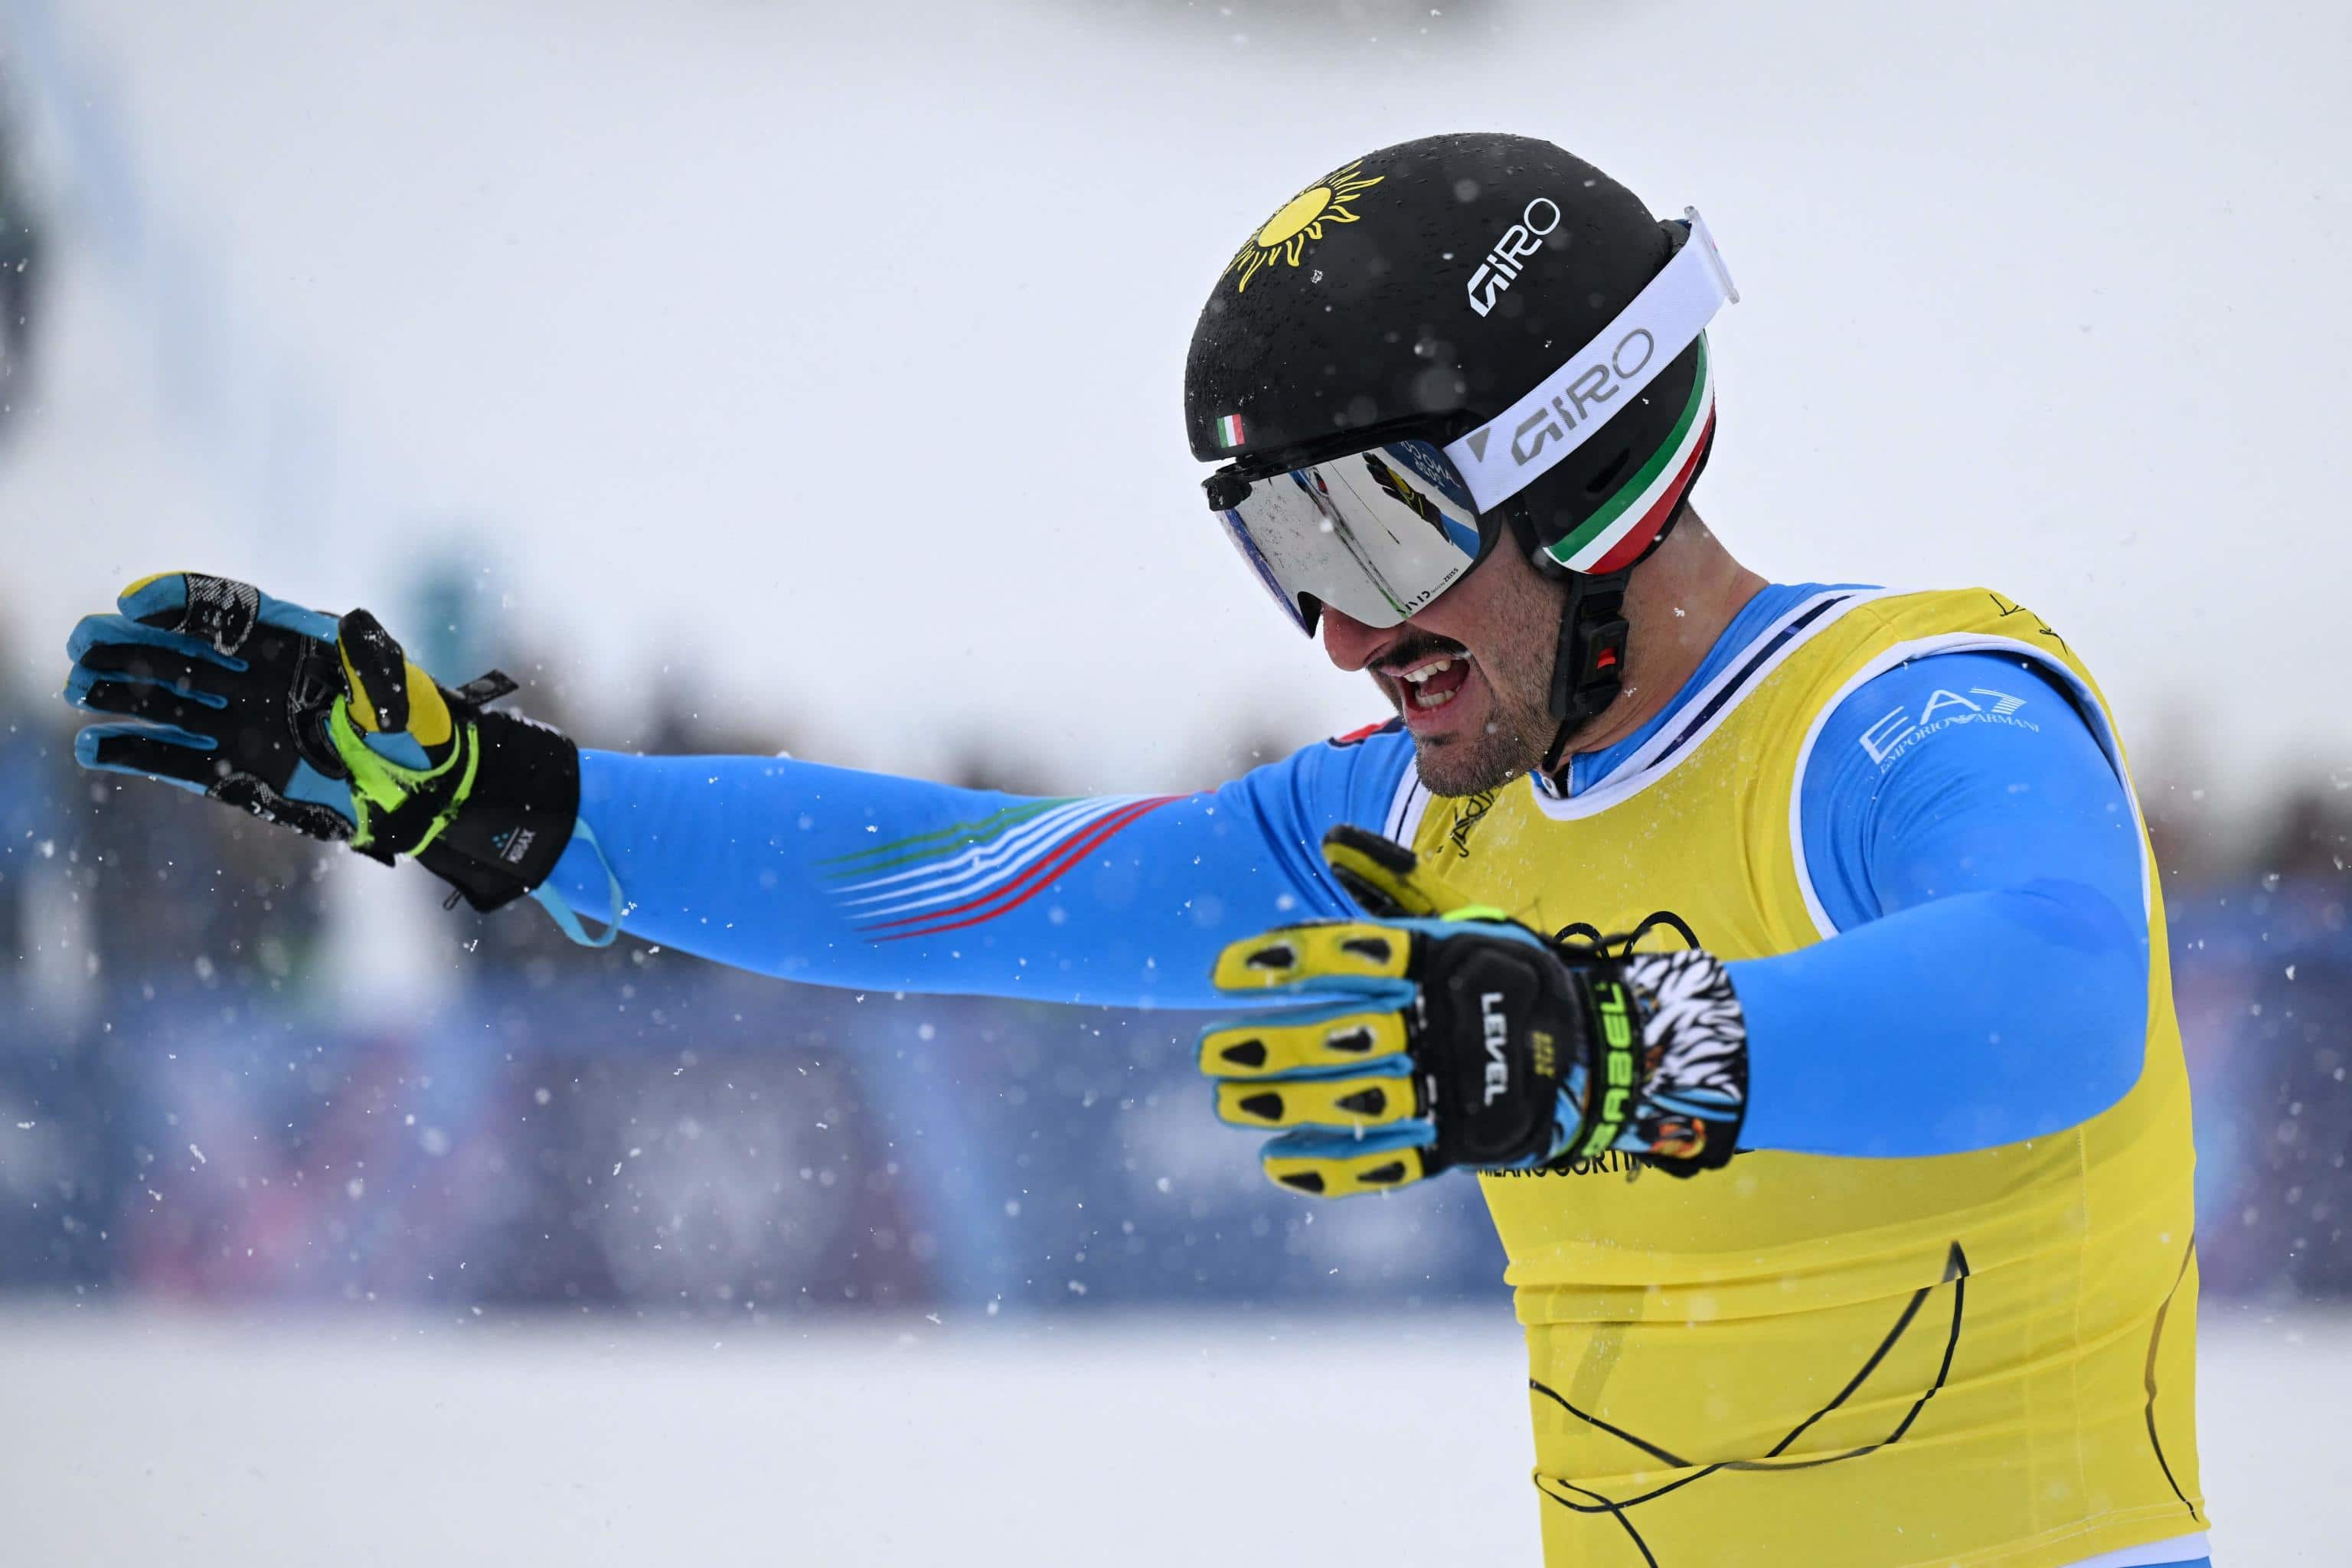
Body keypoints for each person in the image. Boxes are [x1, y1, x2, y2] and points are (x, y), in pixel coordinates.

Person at [62, 132, 2208, 1568]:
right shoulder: (1408, 820)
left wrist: (1596, 1047)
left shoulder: (1909, 710)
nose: (1347, 633)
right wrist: (501, 803)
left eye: (1373, 526)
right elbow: (944, 886)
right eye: (1280, 549)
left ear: (1589, 465)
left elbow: (2053, 1000)